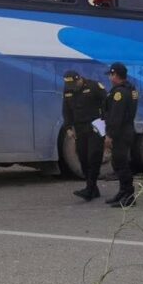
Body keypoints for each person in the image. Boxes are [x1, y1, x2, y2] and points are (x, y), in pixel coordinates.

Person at [62, 70, 107, 201]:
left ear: (79, 79)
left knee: (93, 156)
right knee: (82, 158)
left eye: (74, 84)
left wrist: (105, 122)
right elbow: (66, 110)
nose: (72, 87)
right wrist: (68, 127)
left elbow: (107, 104)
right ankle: (93, 188)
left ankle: (89, 189)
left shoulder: (94, 87)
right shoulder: (68, 90)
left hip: (95, 127)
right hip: (79, 128)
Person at [103, 62, 139, 208]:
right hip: (126, 131)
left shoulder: (119, 93)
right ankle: (122, 192)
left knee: (121, 164)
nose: (110, 78)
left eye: (111, 75)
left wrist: (109, 135)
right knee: (118, 163)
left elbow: (116, 117)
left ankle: (129, 196)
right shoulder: (131, 89)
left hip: (120, 134)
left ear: (115, 75)